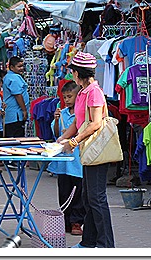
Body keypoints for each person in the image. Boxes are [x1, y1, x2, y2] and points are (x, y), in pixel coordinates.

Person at [57, 52, 116, 248]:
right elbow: (78, 121)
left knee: (97, 199)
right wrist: (62, 137)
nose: (71, 74)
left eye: (72, 71)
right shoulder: (82, 92)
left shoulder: (94, 92)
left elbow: (95, 123)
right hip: (87, 150)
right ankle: (88, 242)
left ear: (77, 72)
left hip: (96, 150)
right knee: (88, 197)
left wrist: (73, 142)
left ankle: (106, 245)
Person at [48, 81, 85, 236]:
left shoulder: (81, 114)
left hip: (78, 163)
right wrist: (56, 120)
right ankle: (65, 220)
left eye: (70, 96)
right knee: (64, 193)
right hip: (63, 163)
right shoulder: (62, 113)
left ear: (78, 96)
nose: (67, 100)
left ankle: (77, 221)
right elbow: (56, 134)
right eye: (65, 97)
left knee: (78, 194)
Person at [2, 56, 29, 138]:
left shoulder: (12, 76)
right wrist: (24, 110)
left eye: (22, 66)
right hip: (15, 116)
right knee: (15, 139)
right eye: (19, 66)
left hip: (13, 115)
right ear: (12, 67)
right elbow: (18, 95)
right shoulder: (13, 78)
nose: (21, 68)